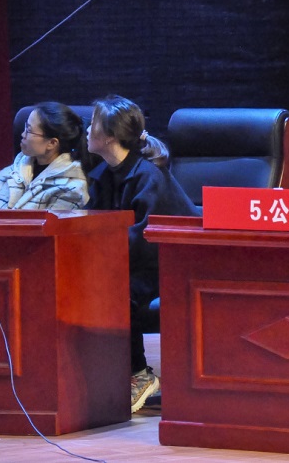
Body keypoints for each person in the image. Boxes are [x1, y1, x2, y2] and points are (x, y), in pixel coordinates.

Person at [85, 95, 198, 413]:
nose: (86, 130)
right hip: (132, 262)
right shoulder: (103, 176)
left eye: (92, 124)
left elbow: (144, 239)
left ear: (109, 135)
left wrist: (100, 265)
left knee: (117, 292)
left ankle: (139, 374)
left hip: (170, 264)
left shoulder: (148, 175)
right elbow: (90, 226)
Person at [0, 102, 91, 210]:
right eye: (25, 127)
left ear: (52, 143)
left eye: (29, 130)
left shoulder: (71, 189)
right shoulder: (10, 173)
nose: (23, 134)